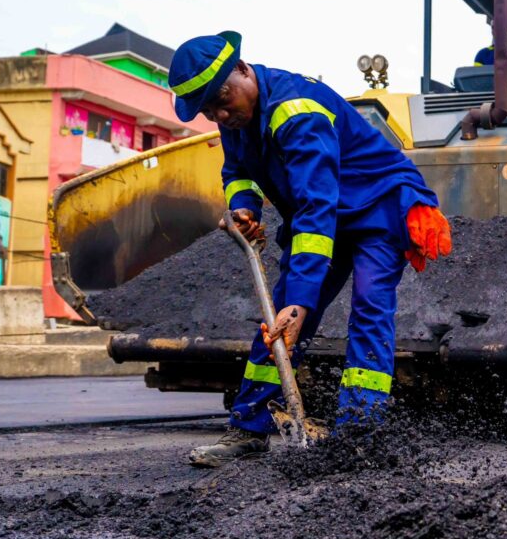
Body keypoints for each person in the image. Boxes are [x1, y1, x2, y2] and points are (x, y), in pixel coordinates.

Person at [168, 31, 452, 467]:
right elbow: (237, 168)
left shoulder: (297, 113)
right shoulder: (235, 119)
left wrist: (302, 302)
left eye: (223, 98)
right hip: (326, 213)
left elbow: (316, 210)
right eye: (210, 110)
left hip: (375, 207)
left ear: (243, 70)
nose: (221, 113)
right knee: (277, 319)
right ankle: (248, 429)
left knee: (368, 308)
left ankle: (361, 433)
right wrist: (244, 207)